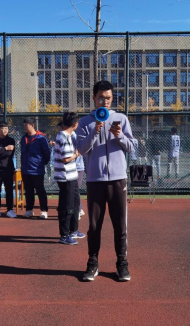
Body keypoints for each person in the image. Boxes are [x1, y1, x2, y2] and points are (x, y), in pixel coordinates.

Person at [77, 80, 134, 282]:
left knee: (120, 224)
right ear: (94, 98)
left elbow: (131, 147)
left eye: (108, 98)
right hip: (95, 180)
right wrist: (95, 131)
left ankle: (122, 263)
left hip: (118, 180)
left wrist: (120, 136)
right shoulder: (85, 122)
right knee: (94, 226)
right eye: (101, 98)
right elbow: (81, 149)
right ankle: (93, 263)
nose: (105, 101)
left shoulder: (121, 119)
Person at [54, 112, 85, 245]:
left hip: (72, 176)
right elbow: (66, 159)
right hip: (65, 177)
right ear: (75, 124)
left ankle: (73, 230)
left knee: (75, 203)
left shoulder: (69, 136)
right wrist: (77, 154)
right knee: (67, 206)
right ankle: (64, 234)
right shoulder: (63, 137)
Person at [21, 117, 51, 219]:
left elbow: (47, 153)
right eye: (24, 125)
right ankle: (29, 210)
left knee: (40, 191)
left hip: (37, 170)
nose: (24, 127)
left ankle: (44, 210)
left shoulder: (41, 138)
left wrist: (41, 163)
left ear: (32, 125)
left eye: (26, 125)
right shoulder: (23, 138)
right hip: (25, 170)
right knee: (28, 191)